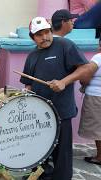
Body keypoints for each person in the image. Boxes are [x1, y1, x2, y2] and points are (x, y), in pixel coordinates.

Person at [20, 17, 90, 179]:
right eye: (39, 34)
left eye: (46, 32)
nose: (44, 37)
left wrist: (64, 82)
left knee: (62, 156)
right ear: (33, 37)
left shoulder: (65, 45)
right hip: (39, 115)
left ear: (51, 31)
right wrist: (27, 94)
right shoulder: (32, 56)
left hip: (61, 111)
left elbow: (85, 68)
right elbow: (28, 84)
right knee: (39, 150)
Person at [78, 35, 101, 165]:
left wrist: (83, 82)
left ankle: (100, 157)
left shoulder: (98, 57)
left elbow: (86, 75)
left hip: (96, 97)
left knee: (98, 129)